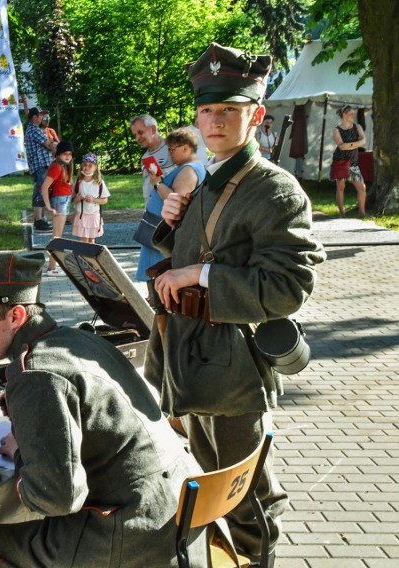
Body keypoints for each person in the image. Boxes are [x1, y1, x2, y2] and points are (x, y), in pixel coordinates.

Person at [144, 42, 326, 564]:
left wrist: (200, 272)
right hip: (184, 360)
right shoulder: (208, 180)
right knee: (205, 486)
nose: (215, 121)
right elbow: (188, 258)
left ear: (257, 115)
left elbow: (288, 287)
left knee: (248, 499)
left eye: (230, 110)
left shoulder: (275, 190)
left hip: (231, 373)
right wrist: (172, 225)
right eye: (207, 110)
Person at [0, 250, 206, 567]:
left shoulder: (35, 374)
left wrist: (23, 455)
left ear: (15, 316)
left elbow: (56, 497)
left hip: (132, 534)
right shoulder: (76, 339)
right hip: (179, 512)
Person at [135, 127, 207, 282]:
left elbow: (176, 202)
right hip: (158, 230)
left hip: (162, 234)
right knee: (153, 277)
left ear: (186, 147)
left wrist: (157, 183)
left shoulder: (189, 170)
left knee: (156, 277)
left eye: (172, 149)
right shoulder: (188, 168)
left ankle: (155, 305)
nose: (169, 153)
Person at [41, 140, 74, 276]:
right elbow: (44, 187)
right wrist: (49, 206)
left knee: (58, 235)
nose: (67, 156)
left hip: (64, 200)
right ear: (59, 154)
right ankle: (51, 267)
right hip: (59, 201)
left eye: (70, 154)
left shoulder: (64, 166)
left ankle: (54, 266)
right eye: (65, 154)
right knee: (57, 236)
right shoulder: (57, 167)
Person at [24, 107, 58, 231]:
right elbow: (49, 145)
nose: (42, 118)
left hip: (40, 166)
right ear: (34, 117)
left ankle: (41, 219)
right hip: (40, 166)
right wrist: (55, 146)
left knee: (43, 191)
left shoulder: (33, 129)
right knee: (39, 192)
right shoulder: (35, 130)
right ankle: (38, 220)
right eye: (40, 116)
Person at [130, 114, 175, 205]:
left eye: (140, 132)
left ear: (153, 129)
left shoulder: (172, 148)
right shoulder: (145, 158)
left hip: (171, 211)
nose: (137, 138)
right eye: (135, 135)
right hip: (151, 213)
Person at [331, 105, 367, 217]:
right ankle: (342, 213)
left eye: (353, 113)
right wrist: (356, 144)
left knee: (362, 188)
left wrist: (349, 145)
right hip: (340, 161)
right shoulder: (337, 130)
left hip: (353, 162)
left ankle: (362, 213)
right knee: (341, 187)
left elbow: (363, 141)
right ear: (344, 114)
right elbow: (341, 147)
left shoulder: (357, 127)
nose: (353, 115)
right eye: (351, 113)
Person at [71, 153, 110, 244]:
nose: (87, 167)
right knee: (84, 240)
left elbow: (105, 200)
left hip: (94, 214)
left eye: (90, 165)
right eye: (84, 165)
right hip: (81, 215)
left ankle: (90, 257)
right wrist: (78, 198)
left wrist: (93, 200)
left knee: (92, 240)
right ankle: (84, 256)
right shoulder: (78, 182)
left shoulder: (99, 182)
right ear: (81, 166)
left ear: (95, 167)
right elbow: (72, 200)